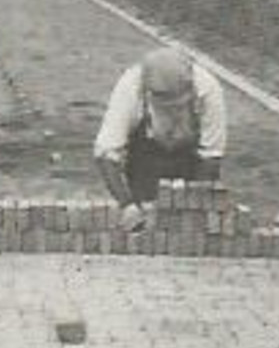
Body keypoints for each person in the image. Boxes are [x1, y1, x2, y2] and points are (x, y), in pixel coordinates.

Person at [94, 47, 227, 223]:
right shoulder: (130, 88)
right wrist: (127, 204)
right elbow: (106, 153)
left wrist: (193, 205)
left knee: (190, 223)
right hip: (146, 157)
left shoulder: (208, 89)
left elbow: (212, 155)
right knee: (145, 214)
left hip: (192, 159)